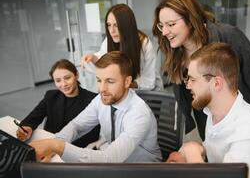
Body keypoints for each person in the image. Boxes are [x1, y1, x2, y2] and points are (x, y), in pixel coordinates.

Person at [152, 0, 250, 139]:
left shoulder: (228, 35)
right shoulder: (174, 50)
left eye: (170, 24)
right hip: (206, 116)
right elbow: (184, 96)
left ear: (190, 20)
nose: (165, 32)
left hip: (235, 114)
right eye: (161, 25)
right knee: (213, 149)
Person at [166, 42, 250, 178]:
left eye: (193, 80)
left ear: (217, 83)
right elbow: (219, 153)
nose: (188, 86)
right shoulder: (214, 113)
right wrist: (200, 148)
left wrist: (193, 155)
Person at [29, 51, 162, 163]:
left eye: (110, 81)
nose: (102, 89)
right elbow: (77, 125)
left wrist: (57, 146)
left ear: (127, 82)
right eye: (99, 80)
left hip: (142, 170)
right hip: (119, 165)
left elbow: (110, 159)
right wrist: (54, 145)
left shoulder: (138, 113)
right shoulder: (101, 99)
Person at [16, 59, 99, 148]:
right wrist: (27, 127)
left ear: (76, 75)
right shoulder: (51, 96)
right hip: (51, 145)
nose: (63, 84)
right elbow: (34, 116)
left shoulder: (93, 99)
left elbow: (91, 135)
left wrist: (57, 148)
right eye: (58, 80)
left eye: (67, 78)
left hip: (75, 149)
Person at [81, 3, 163, 91]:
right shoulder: (109, 40)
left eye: (116, 25)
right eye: (109, 25)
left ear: (126, 26)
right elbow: (103, 60)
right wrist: (94, 58)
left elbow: (149, 82)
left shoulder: (144, 44)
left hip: (148, 94)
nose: (111, 31)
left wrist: (123, 84)